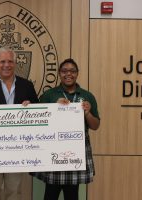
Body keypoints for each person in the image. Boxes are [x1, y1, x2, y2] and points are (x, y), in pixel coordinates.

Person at [0, 47, 39, 200]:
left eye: (10, 61)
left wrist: (30, 108)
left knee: (14, 190)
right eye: (2, 61)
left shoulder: (27, 85)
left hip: (17, 147)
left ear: (15, 63)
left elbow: (39, 113)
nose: (6, 65)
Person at [31, 58, 100, 200]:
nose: (68, 74)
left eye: (72, 71)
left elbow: (95, 126)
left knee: (72, 194)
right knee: (50, 193)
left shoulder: (87, 96)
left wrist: (87, 113)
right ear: (59, 73)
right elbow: (37, 122)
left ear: (77, 74)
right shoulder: (49, 95)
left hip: (76, 152)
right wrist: (53, 108)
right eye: (64, 71)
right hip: (54, 150)